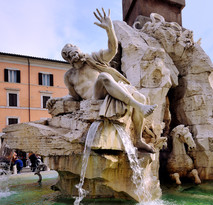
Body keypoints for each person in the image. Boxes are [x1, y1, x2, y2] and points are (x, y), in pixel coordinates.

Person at [46, 9, 157, 153]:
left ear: (79, 50)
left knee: (140, 96)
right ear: (67, 59)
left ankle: (138, 140)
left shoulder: (92, 59)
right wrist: (57, 100)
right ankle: (138, 106)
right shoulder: (69, 76)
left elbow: (112, 50)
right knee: (103, 77)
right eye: (69, 54)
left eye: (75, 50)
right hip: (94, 98)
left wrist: (110, 29)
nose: (74, 54)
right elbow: (74, 97)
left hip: (109, 92)